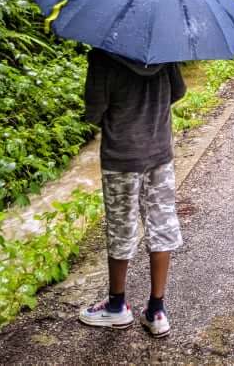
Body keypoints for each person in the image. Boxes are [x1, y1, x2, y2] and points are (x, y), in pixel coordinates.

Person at [78, 48, 186, 337]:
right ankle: (157, 310)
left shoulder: (102, 56)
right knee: (161, 225)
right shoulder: (164, 50)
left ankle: (116, 307)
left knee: (121, 227)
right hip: (159, 153)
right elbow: (178, 92)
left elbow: (93, 111)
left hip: (121, 157)